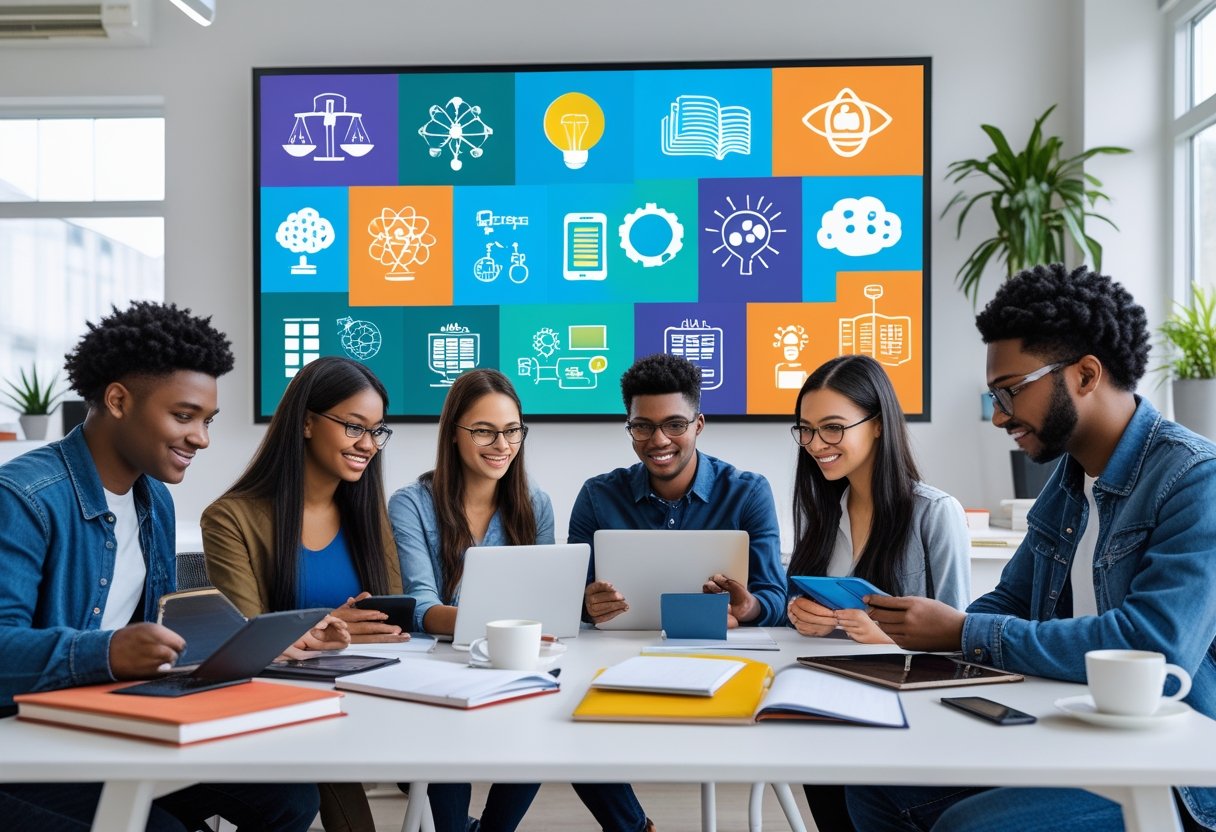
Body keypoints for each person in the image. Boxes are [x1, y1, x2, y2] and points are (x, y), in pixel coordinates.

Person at [847, 264, 1216, 832]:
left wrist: (963, 633)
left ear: (1086, 375)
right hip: (1073, 730)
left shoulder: (1195, 480)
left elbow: (1156, 649)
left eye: (1010, 391)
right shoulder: (1069, 483)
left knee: (971, 827)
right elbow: (1009, 601)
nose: (998, 415)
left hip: (1176, 771)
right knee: (872, 785)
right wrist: (931, 633)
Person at [0, 301, 319, 831]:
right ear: (119, 400)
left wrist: (248, 643)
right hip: (28, 741)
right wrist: (106, 652)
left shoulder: (154, 500)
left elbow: (165, 635)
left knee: (288, 796)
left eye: (207, 420)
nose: (202, 438)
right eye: (184, 415)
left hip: (109, 721)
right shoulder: (25, 498)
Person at [568, 352, 787, 832]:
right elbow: (568, 601)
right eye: (641, 427)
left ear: (699, 423)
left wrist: (748, 606)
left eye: (673, 424)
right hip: (619, 661)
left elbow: (775, 597)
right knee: (567, 720)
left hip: (722, 662)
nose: (658, 440)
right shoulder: (597, 495)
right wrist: (585, 606)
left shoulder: (747, 492)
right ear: (629, 426)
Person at [202, 356, 404, 832]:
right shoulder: (231, 518)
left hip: (371, 691)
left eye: (377, 431)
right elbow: (248, 639)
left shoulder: (369, 514)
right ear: (308, 423)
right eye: (355, 427)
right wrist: (321, 627)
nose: (368, 444)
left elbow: (393, 622)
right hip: (280, 703)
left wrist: (343, 633)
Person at [785, 354, 971, 832]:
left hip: (905, 718)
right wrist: (805, 617)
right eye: (805, 430)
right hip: (830, 704)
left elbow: (965, 645)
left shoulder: (935, 513)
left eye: (831, 428)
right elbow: (820, 621)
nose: (815, 445)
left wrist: (886, 637)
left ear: (878, 425)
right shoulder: (824, 511)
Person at [389, 368, 549, 832]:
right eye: (484, 431)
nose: (502, 444)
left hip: (512, 661)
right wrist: (498, 623)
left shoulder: (534, 504)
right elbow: (420, 607)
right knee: (444, 724)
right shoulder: (411, 503)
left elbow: (544, 599)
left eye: (512, 430)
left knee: (544, 717)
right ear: (454, 434)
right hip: (436, 666)